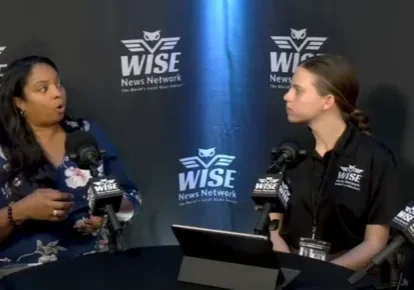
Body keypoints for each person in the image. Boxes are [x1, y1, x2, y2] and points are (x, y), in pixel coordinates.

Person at [0, 55, 141, 268]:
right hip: (23, 273)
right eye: (43, 89)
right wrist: (21, 211)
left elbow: (131, 198)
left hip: (95, 264)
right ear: (19, 102)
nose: (58, 93)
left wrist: (110, 211)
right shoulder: (3, 150)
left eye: (58, 84)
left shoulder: (87, 134)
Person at [269, 54, 399, 271]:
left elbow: (375, 243)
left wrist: (322, 277)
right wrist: (288, 271)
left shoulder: (375, 159)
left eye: (297, 90)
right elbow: (272, 227)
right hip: (289, 274)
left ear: (327, 101)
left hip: (345, 278)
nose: (286, 96)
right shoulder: (287, 153)